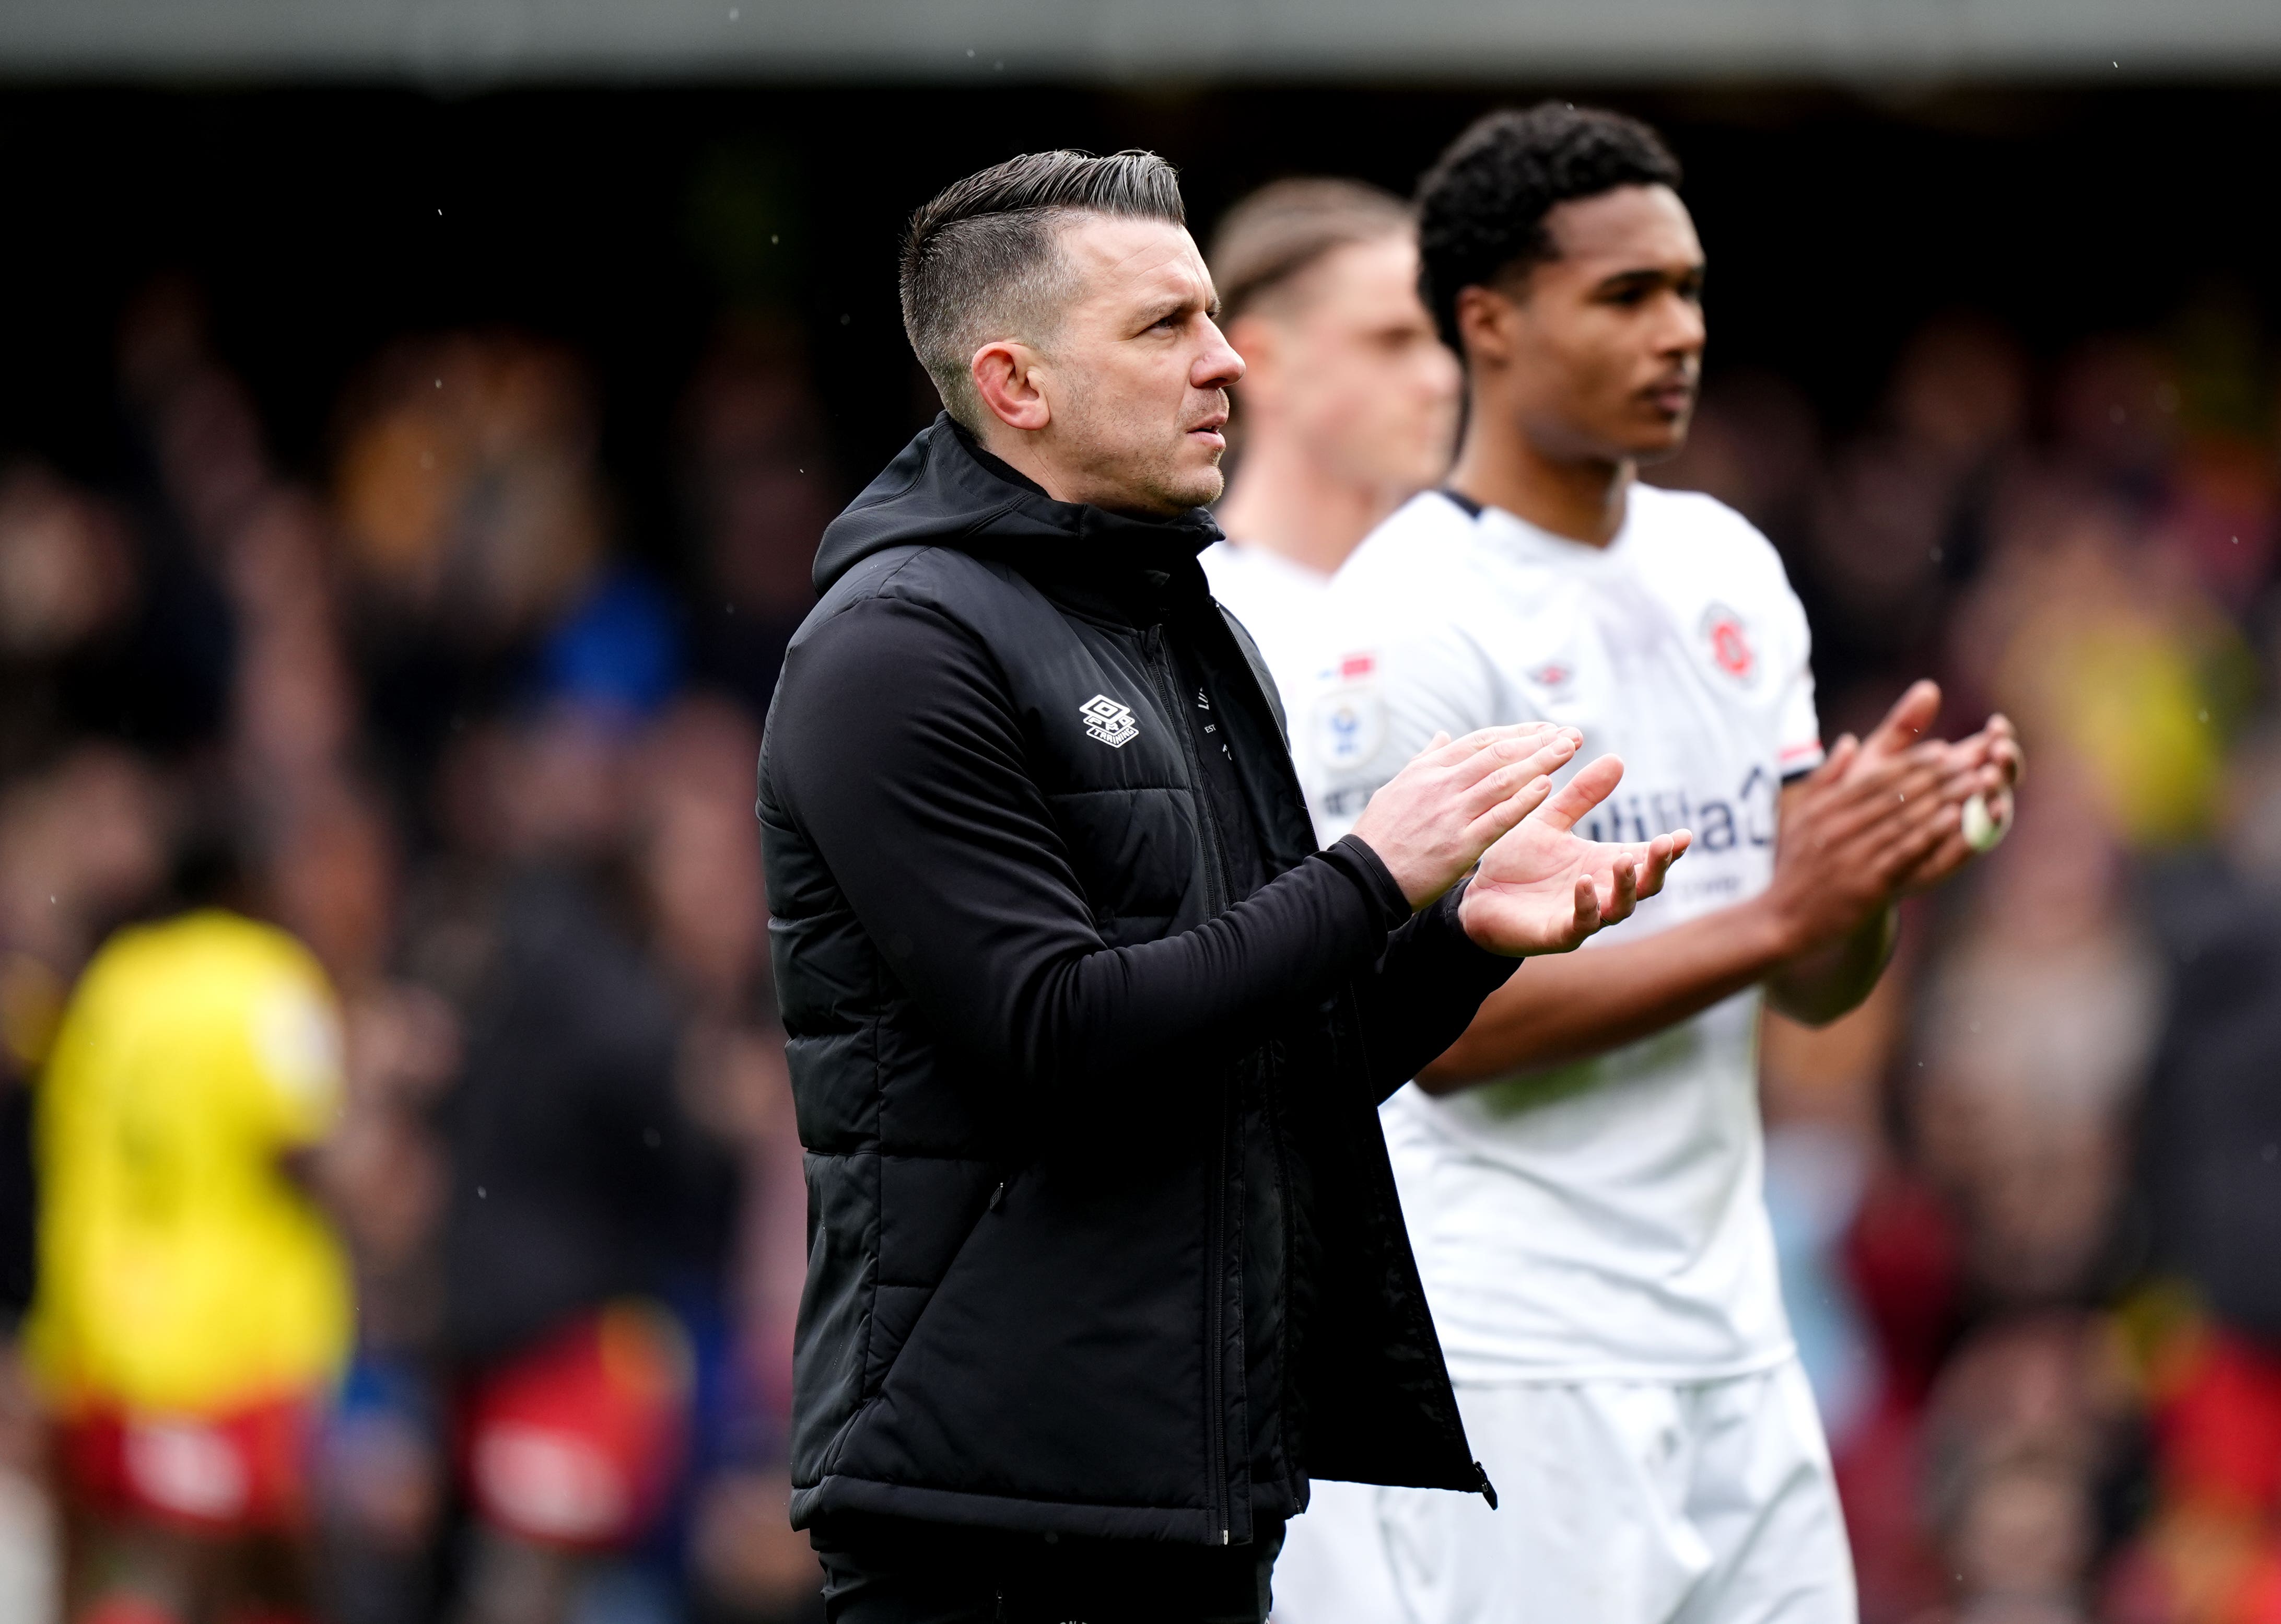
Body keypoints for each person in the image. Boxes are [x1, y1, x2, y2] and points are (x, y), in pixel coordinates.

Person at [754, 147, 1697, 1623]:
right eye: (1165, 328)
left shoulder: (1181, 627)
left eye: (1213, 316)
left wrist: (1458, 938)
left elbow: (1269, 1063)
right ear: (1015, 383)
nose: (1224, 362)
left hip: (1197, 1498)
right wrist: (1376, 871)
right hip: (987, 1521)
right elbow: (1058, 1034)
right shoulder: (893, 649)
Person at [1273, 104, 2025, 1624]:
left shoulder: (1724, 565)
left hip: (1736, 1327)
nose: (1676, 331)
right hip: (1518, 1347)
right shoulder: (1405, 615)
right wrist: (1778, 917)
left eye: (1686, 287)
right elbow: (1437, 1038)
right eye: (1625, 296)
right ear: (1485, 322)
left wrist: (1866, 874)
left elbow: (1813, 986)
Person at [24, 827, 350, 1624]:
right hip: (232, 1347)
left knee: (114, 1573)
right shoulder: (269, 983)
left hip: (99, 1336)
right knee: (256, 1579)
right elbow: (308, 1146)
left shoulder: (111, 984)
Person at [1199, 178, 1461, 720]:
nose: (1441, 379)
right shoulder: (1185, 620)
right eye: (1392, 341)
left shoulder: (1486, 598)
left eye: (1443, 340)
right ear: (1261, 360)